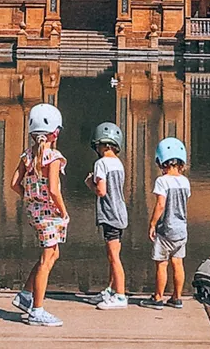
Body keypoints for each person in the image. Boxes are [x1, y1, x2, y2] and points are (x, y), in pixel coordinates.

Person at [10, 103, 69, 328]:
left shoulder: (28, 155)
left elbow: (14, 184)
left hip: (35, 213)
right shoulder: (52, 157)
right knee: (47, 260)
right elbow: (54, 189)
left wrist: (30, 196)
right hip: (50, 214)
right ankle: (37, 310)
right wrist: (63, 211)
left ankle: (25, 295)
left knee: (53, 255)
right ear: (55, 133)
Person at [84, 121, 128, 310]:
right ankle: (111, 289)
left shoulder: (101, 163)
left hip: (109, 214)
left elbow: (101, 191)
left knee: (113, 257)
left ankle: (120, 296)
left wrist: (89, 183)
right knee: (114, 255)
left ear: (103, 145)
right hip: (121, 213)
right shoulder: (118, 163)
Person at [145, 136, 191, 308]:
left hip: (166, 229)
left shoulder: (162, 181)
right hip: (181, 230)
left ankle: (158, 298)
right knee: (178, 263)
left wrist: (152, 224)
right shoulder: (185, 182)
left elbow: (161, 205)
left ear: (161, 161)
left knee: (162, 264)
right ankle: (177, 297)